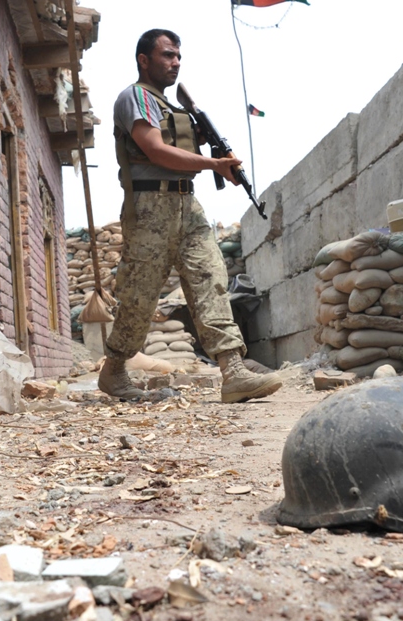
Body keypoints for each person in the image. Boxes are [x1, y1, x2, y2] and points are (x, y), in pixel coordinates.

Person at [97, 28, 283, 404]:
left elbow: (180, 153)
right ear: (143, 60)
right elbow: (155, 151)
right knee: (139, 294)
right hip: (150, 208)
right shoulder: (136, 98)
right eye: (167, 55)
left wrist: (214, 159)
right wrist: (214, 162)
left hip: (188, 205)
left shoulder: (175, 109)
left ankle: (233, 371)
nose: (175, 63)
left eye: (178, 56)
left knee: (210, 278)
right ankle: (114, 371)